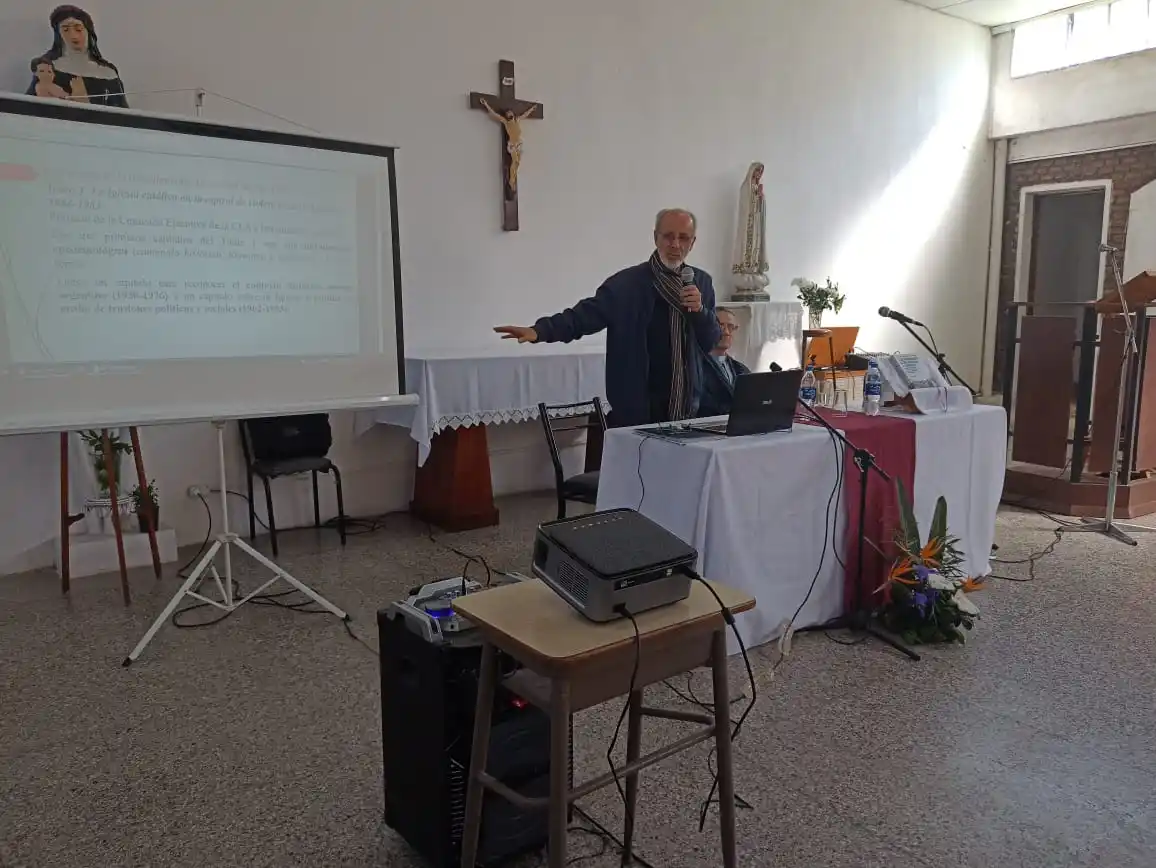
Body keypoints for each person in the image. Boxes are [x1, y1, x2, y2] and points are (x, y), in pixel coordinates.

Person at [494, 209, 721, 427]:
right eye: (668, 236)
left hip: (690, 406)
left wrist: (700, 311)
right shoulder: (627, 284)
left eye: (683, 238)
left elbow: (710, 340)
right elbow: (584, 316)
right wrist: (540, 331)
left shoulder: (701, 282)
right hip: (639, 407)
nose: (675, 244)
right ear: (655, 238)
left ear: (692, 243)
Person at [25, 6, 128, 109]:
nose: (73, 36)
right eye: (66, 30)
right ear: (59, 35)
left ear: (88, 32)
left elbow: (122, 117)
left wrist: (84, 101)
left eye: (78, 29)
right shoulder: (48, 67)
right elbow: (30, 108)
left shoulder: (107, 73)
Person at [698, 308, 751, 418]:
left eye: (731, 327)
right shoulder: (696, 366)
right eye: (721, 326)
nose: (726, 332)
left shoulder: (741, 369)